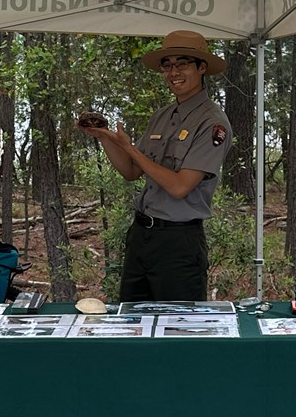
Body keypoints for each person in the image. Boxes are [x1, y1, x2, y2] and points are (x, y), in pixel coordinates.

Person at [84, 29, 233, 302]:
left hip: (178, 243)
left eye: (182, 63)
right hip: (141, 236)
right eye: (167, 65)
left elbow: (180, 187)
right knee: (132, 324)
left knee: (180, 330)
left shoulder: (212, 123)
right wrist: (105, 137)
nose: (173, 72)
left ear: (202, 68)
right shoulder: (162, 116)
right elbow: (132, 171)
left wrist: (129, 147)